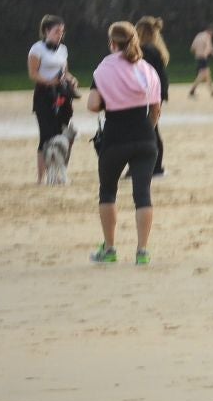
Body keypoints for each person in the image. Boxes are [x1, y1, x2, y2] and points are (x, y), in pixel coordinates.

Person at [86, 21, 162, 266]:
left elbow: (92, 105)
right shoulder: (147, 69)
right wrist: (147, 128)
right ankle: (142, 251)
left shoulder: (103, 69)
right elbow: (156, 108)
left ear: (112, 43)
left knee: (108, 192)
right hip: (144, 136)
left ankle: (109, 248)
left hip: (115, 136)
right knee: (143, 194)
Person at [27, 14, 80, 184]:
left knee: (63, 134)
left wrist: (71, 79)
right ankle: (42, 177)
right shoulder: (36, 49)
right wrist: (50, 81)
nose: (60, 34)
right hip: (45, 94)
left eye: (62, 31)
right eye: (57, 31)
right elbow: (33, 74)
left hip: (62, 94)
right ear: (46, 31)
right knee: (47, 136)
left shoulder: (63, 49)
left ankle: (60, 173)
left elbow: (65, 72)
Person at [135, 16, 170, 177]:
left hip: (149, 94)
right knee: (152, 129)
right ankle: (155, 166)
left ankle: (154, 166)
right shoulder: (156, 49)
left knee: (149, 130)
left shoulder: (146, 51)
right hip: (157, 93)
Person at [188, 26, 213, 98]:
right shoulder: (207, 36)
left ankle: (212, 92)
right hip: (203, 57)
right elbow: (209, 47)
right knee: (202, 75)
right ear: (210, 32)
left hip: (198, 57)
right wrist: (212, 51)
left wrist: (197, 53)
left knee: (207, 74)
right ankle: (192, 90)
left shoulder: (199, 35)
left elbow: (192, 48)